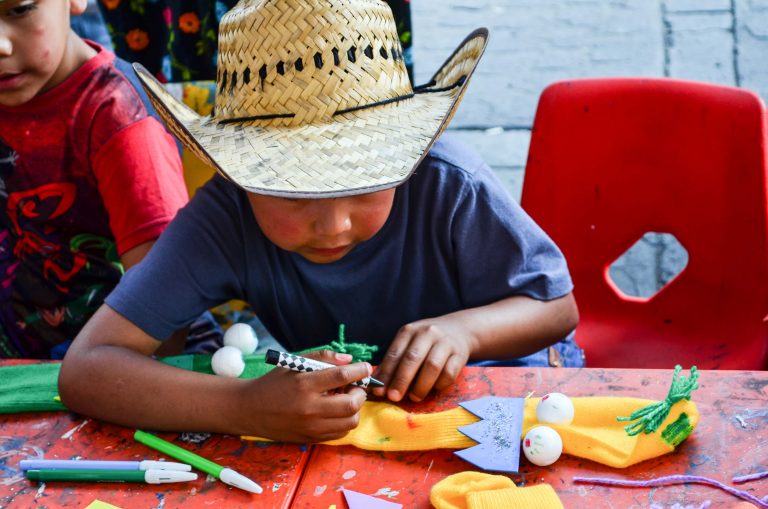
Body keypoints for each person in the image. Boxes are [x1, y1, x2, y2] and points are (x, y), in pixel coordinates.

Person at [59, 0, 581, 443]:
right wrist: (242, 407)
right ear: (241, 175)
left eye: (365, 185)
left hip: (519, 403)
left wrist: (465, 331)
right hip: (364, 430)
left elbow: (556, 307)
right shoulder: (225, 217)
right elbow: (87, 368)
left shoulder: (450, 185)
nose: (333, 225)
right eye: (293, 193)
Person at [0, 0, 217, 358]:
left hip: (124, 357)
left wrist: (95, 375)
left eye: (20, 10)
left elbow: (166, 314)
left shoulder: (119, 117)